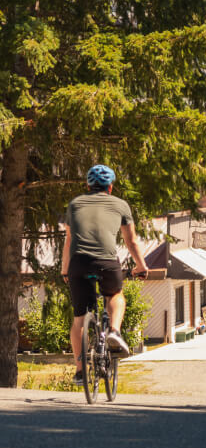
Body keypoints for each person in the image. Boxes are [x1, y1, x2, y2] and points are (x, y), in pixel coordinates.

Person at [60, 165, 150, 386]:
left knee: (80, 316)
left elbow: (69, 241)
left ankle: (80, 371)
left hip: (78, 264)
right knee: (116, 295)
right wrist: (141, 266)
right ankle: (115, 333)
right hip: (106, 262)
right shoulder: (120, 205)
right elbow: (131, 241)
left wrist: (64, 270)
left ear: (87, 186)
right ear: (111, 187)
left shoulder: (75, 204)